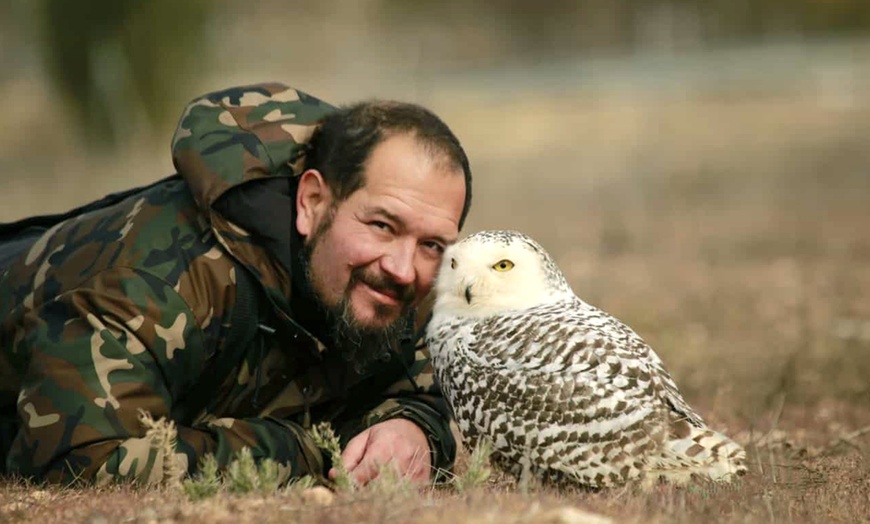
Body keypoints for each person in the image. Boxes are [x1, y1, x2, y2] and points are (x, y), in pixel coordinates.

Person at [0, 82, 472, 486]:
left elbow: (420, 386)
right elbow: (82, 462)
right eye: (382, 226)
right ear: (311, 203)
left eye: (432, 244)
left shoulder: (398, 278)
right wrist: (303, 450)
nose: (403, 268)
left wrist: (411, 430)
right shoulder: (160, 284)